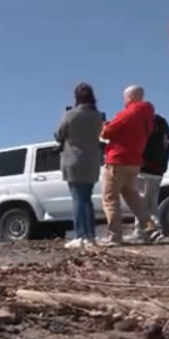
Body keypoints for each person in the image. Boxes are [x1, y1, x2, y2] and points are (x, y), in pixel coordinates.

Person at [99, 85, 161, 245]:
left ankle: (114, 236)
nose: (124, 101)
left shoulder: (129, 113)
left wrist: (104, 125)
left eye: (125, 97)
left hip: (117, 160)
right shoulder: (147, 115)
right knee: (132, 196)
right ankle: (150, 227)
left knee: (110, 198)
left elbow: (106, 133)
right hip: (134, 162)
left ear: (130, 97)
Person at [54, 83, 103, 249]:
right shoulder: (97, 116)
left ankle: (80, 236)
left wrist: (65, 115)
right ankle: (91, 236)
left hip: (75, 161)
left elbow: (59, 135)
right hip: (93, 161)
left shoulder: (71, 115)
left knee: (77, 198)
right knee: (87, 199)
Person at [129, 114, 169, 240]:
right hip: (158, 171)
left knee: (141, 202)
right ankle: (156, 230)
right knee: (152, 204)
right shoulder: (165, 131)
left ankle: (141, 230)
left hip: (145, 169)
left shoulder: (148, 129)